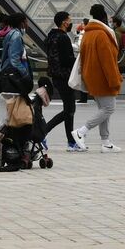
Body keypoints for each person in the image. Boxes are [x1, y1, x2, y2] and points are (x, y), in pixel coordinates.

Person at [75, 4, 123, 152]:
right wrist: (115, 80)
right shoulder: (102, 34)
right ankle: (81, 131)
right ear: (103, 16)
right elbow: (107, 61)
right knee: (109, 108)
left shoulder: (88, 33)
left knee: (103, 109)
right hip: (102, 78)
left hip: (91, 76)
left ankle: (105, 142)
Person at [40, 12, 80, 151]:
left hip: (57, 76)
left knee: (69, 110)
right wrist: (79, 60)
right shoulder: (63, 38)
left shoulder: (51, 36)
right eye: (69, 19)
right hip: (65, 77)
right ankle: (43, 133)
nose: (71, 22)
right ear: (64, 22)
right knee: (69, 110)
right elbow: (66, 60)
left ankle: (71, 142)